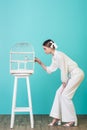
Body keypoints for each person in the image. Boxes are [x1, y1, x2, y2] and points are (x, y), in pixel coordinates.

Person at [35, 39, 84, 127]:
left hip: (77, 74)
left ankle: (72, 120)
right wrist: (40, 63)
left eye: (45, 48)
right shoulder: (54, 57)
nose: (44, 50)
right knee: (58, 93)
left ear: (50, 47)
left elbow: (64, 69)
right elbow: (49, 70)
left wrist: (64, 81)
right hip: (71, 76)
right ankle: (57, 117)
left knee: (65, 96)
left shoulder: (59, 55)